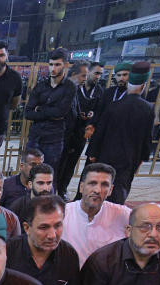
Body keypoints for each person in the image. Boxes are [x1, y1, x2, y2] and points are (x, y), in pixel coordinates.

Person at [87, 61, 154, 205]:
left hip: (106, 155)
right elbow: (147, 137)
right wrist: (143, 156)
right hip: (129, 159)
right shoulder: (148, 108)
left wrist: (92, 152)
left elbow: (100, 132)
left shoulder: (114, 106)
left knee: (100, 186)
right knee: (120, 190)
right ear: (143, 86)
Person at [61, 163, 130, 267]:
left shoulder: (123, 214)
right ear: (81, 187)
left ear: (110, 190)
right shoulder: (62, 214)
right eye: (92, 183)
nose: (97, 190)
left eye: (104, 185)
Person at [24, 49, 74, 175]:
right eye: (51, 64)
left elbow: (61, 112)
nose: (53, 68)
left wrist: (40, 109)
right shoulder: (41, 85)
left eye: (57, 65)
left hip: (54, 138)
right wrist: (50, 112)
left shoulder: (70, 87)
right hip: (35, 136)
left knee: (49, 174)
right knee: (29, 173)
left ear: (65, 65)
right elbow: (28, 113)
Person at [56, 62, 97, 199]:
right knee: (58, 166)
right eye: (83, 75)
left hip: (76, 136)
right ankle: (55, 190)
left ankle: (62, 190)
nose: (85, 78)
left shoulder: (96, 91)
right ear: (73, 74)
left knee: (69, 166)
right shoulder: (64, 89)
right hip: (61, 136)